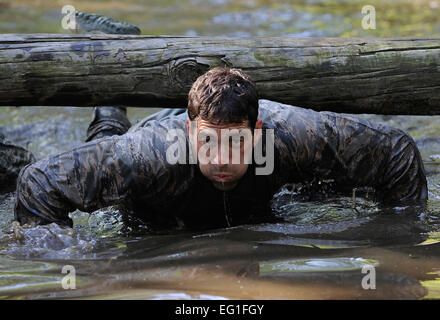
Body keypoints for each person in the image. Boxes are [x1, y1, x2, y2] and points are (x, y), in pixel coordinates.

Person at [14, 67, 428, 231]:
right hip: (151, 171)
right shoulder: (148, 153)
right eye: (209, 141)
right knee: (106, 144)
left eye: (237, 142)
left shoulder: (291, 135)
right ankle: (109, 104)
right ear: (193, 131)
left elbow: (397, 154)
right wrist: (62, 257)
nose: (222, 159)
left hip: (259, 185)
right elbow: (38, 183)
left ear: (257, 131)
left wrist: (398, 233)